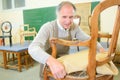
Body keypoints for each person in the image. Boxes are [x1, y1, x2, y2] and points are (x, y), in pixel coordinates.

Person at [28, 1, 105, 79]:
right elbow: (32, 48)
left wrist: (101, 49)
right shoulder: (48, 27)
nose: (68, 21)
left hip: (65, 64)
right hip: (49, 67)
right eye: (64, 17)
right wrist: (51, 61)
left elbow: (89, 40)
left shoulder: (74, 27)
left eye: (71, 17)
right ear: (57, 15)